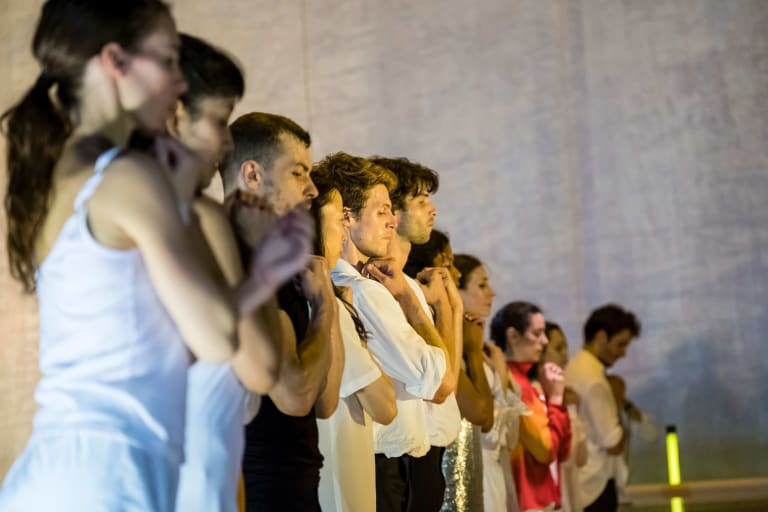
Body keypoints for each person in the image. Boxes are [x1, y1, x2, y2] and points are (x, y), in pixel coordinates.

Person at [0, 1, 278, 509]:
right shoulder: (130, 177)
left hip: (70, 470)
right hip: (108, 475)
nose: (177, 84)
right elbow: (217, 339)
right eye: (168, 61)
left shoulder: (60, 177)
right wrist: (260, 258)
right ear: (116, 62)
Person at [169, 34, 312, 512]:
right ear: (174, 117)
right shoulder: (199, 225)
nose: (226, 142)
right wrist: (258, 263)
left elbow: (245, 401)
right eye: (218, 121)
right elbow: (266, 374)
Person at [220, 112, 341, 511]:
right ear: (252, 175)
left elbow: (325, 402)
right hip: (256, 490)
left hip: (297, 484)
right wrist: (323, 308)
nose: (312, 189)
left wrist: (328, 306)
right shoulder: (233, 260)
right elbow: (297, 395)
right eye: (298, 173)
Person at [323, 152, 455, 512]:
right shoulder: (363, 290)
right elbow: (438, 379)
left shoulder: (350, 283)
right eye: (381, 211)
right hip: (384, 465)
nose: (392, 222)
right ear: (346, 218)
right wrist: (420, 306)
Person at [370, 157, 463, 512]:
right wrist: (448, 312)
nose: (433, 210)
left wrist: (449, 309)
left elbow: (446, 377)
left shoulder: (408, 285)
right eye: (421, 201)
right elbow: (443, 385)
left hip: (426, 449)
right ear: (392, 212)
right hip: (399, 455)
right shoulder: (386, 285)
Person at [310, 158, 398, 512]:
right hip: (340, 487)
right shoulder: (331, 307)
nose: (341, 232)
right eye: (337, 221)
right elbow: (386, 405)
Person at [406, 233, 494, 511]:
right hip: (443, 459)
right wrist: (472, 351)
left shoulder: (473, 338)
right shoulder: (431, 327)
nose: (453, 273)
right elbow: (481, 414)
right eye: (446, 263)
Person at [490, 302, 572, 512]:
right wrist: (555, 399)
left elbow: (563, 452)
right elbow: (547, 450)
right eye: (537, 334)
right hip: (527, 500)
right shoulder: (514, 383)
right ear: (513, 335)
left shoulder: (523, 383)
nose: (544, 341)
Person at [564, 305, 641, 512]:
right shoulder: (594, 379)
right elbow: (613, 443)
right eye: (620, 344)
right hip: (595, 486)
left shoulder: (577, 366)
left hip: (581, 481)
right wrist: (616, 400)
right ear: (601, 337)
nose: (623, 354)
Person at [541, 322, 588, 512]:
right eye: (558, 348)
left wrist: (573, 412)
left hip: (571, 496)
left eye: (566, 347)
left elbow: (581, 458)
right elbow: (566, 457)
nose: (565, 355)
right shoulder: (534, 399)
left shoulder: (563, 397)